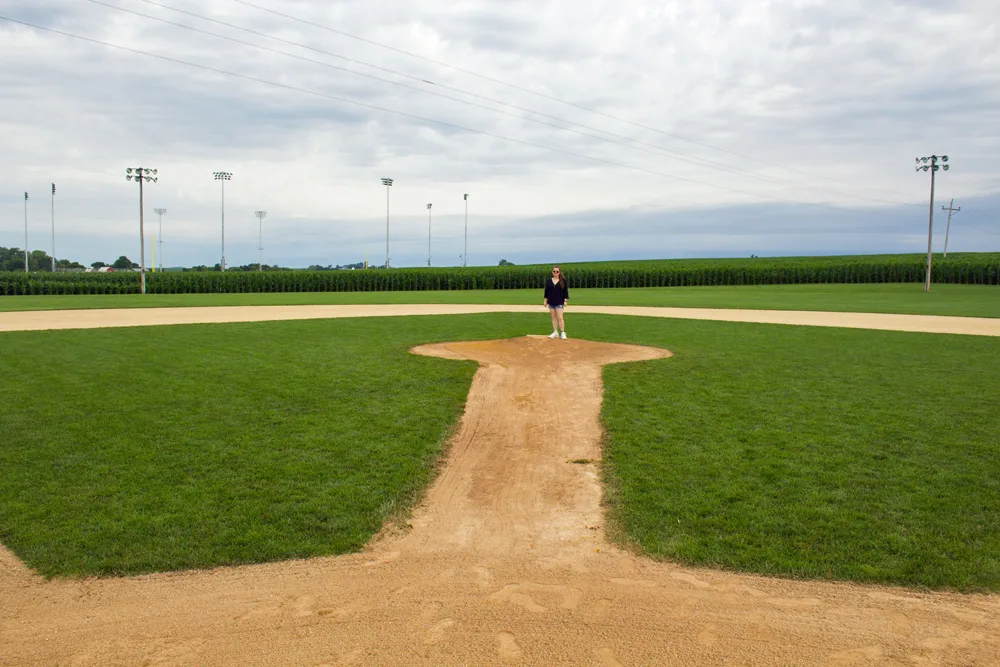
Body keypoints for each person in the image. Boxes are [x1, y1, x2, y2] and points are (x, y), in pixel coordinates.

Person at [543, 266, 569, 339]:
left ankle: (563, 332)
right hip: (551, 302)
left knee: (560, 317)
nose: (555, 273)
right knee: (553, 317)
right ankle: (555, 332)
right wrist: (545, 300)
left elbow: (565, 292)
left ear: (559, 272)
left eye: (557, 271)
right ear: (552, 272)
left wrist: (565, 301)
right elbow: (546, 292)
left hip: (559, 302)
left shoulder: (563, 281)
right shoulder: (549, 281)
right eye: (554, 271)